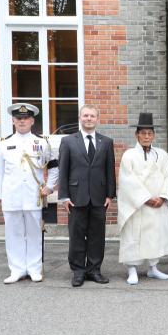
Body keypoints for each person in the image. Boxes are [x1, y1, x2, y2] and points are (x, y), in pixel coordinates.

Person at [0, 103, 59, 283]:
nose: (22, 122)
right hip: (11, 196)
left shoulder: (42, 142)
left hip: (34, 197)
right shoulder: (4, 143)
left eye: (25, 119)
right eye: (18, 119)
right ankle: (17, 270)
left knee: (35, 234)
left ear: (32, 121)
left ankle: (34, 269)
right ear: (13, 121)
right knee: (13, 234)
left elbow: (54, 167)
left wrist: (50, 186)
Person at [59, 104, 116, 287]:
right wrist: (64, 196)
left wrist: (110, 195)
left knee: (97, 235)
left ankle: (94, 270)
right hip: (76, 197)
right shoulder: (68, 141)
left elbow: (109, 171)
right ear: (79, 118)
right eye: (86, 115)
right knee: (76, 235)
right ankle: (78, 271)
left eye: (92, 116)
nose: (89, 118)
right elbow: (63, 170)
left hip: (99, 197)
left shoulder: (106, 142)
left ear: (97, 119)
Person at [117, 113, 168, 285]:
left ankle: (153, 268)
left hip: (157, 203)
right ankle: (132, 269)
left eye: (150, 133)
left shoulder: (162, 154)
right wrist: (144, 198)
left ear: (154, 135)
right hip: (138, 204)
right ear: (136, 135)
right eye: (143, 133)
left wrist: (163, 197)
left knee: (154, 235)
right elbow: (127, 180)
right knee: (133, 236)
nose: (146, 136)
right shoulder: (128, 155)